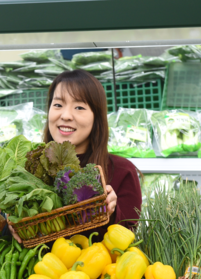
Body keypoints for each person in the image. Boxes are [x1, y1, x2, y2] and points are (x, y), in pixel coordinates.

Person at [42, 69, 142, 242]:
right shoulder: (32, 169)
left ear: (97, 118)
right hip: (39, 270)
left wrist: (111, 212)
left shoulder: (122, 171)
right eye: (58, 105)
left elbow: (128, 242)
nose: (65, 116)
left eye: (79, 107)